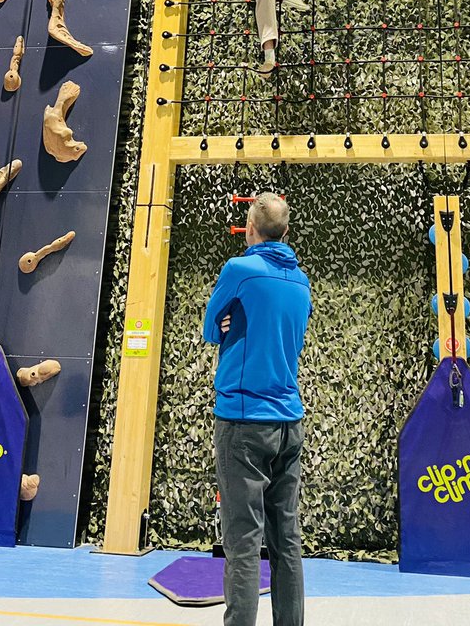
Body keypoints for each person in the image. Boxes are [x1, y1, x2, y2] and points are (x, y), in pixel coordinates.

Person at [203, 192, 312, 626]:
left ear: (249, 230)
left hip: (243, 424)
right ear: (285, 233)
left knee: (243, 545)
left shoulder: (239, 270)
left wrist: (227, 324)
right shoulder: (301, 281)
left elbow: (212, 326)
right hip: (290, 422)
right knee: (287, 540)